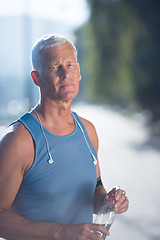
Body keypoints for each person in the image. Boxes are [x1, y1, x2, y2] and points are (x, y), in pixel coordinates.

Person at [0, 34, 129, 240]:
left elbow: (95, 189)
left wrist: (109, 200)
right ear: (36, 78)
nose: (65, 73)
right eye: (54, 67)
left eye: (70, 65)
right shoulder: (18, 141)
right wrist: (62, 232)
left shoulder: (88, 130)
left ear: (79, 72)